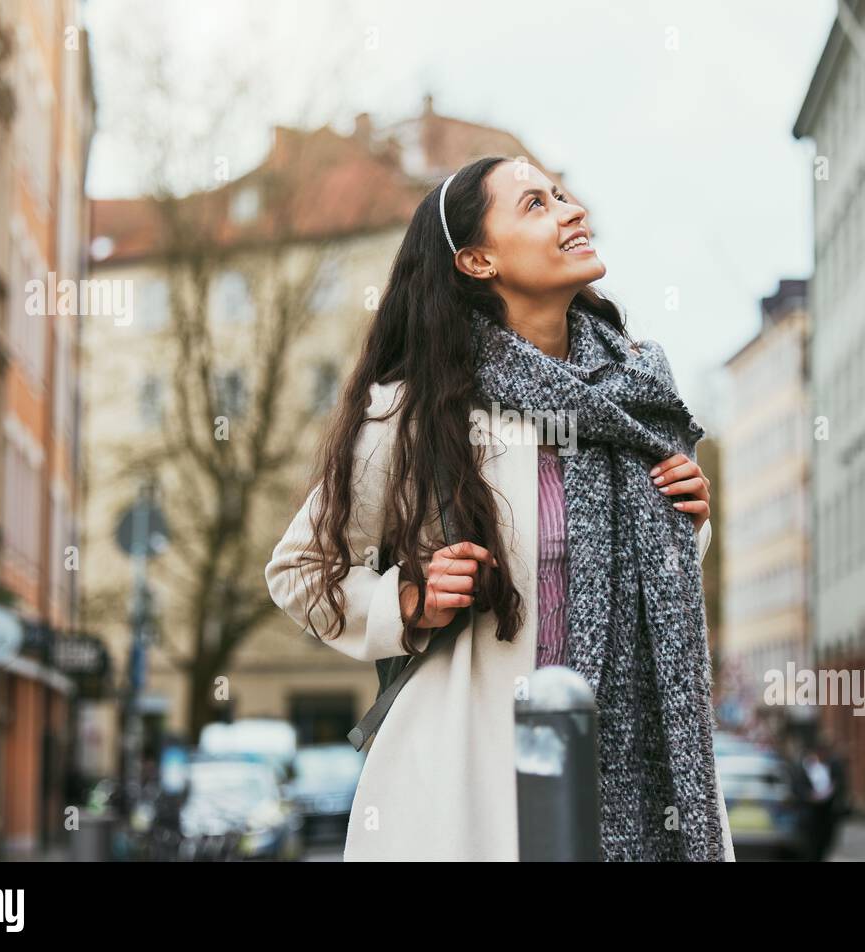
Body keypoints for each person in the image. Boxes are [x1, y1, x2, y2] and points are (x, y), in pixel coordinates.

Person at [266, 157, 733, 861]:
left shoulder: (637, 392)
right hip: (467, 783)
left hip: (628, 775)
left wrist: (688, 525)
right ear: (478, 259)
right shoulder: (416, 412)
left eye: (565, 197)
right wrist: (408, 602)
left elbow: (637, 582)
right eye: (537, 204)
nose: (571, 211)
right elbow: (300, 570)